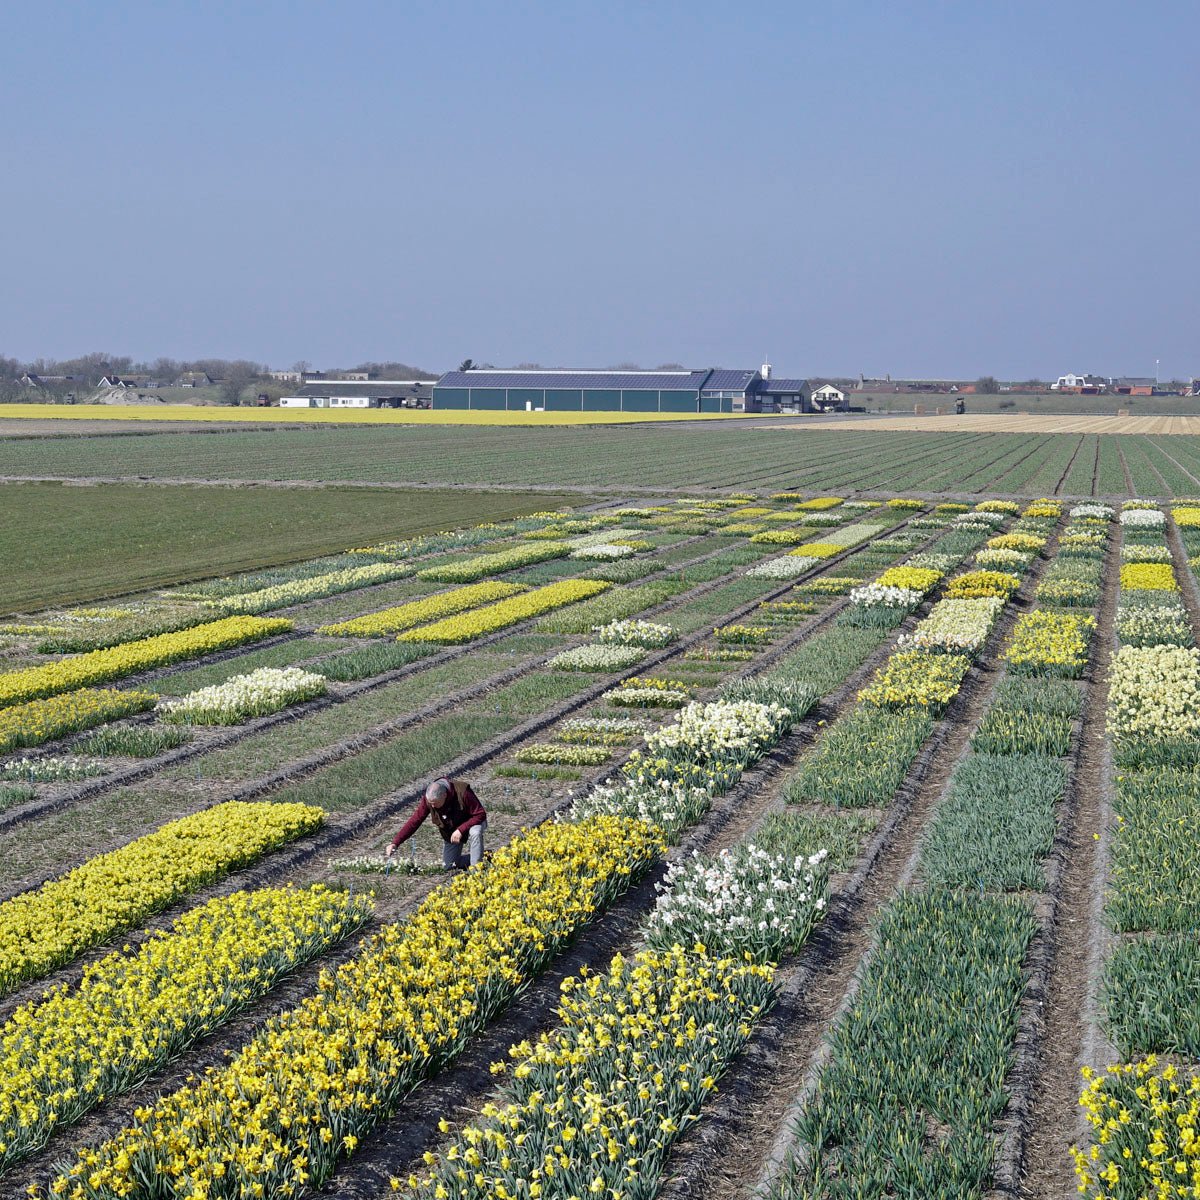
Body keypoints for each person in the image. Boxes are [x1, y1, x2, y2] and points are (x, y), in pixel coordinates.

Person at [386, 777, 487, 870]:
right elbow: (415, 821)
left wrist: (461, 829)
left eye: (435, 803)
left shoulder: (463, 792)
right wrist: (395, 842)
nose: (432, 807)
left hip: (472, 823)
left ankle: (477, 870)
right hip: (451, 831)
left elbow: (480, 814)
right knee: (449, 866)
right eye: (431, 803)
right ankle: (485, 856)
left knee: (475, 832)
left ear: (445, 795)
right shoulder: (430, 800)